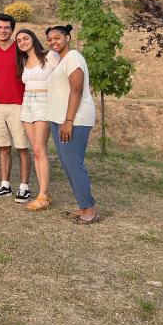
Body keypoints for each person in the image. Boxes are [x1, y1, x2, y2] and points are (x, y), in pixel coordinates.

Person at [45, 25, 99, 224]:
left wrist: (68, 121)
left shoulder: (74, 56)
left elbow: (76, 90)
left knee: (74, 164)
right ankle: (83, 205)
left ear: (67, 37)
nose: (53, 42)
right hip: (60, 119)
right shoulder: (61, 61)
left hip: (74, 120)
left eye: (57, 37)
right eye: (50, 40)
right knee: (69, 164)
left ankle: (89, 209)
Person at [0, 13, 31, 202]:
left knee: (22, 147)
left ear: (12, 29)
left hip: (19, 103)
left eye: (6, 27)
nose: (3, 30)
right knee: (3, 147)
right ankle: (5, 185)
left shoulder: (20, 49)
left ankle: (24, 187)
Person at [16, 29, 61, 211]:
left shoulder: (49, 56)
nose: (22, 42)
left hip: (44, 102)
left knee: (39, 148)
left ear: (33, 38)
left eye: (25, 38)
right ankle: (43, 193)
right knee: (35, 150)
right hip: (27, 102)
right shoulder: (23, 61)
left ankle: (43, 195)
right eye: (19, 40)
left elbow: (63, 75)